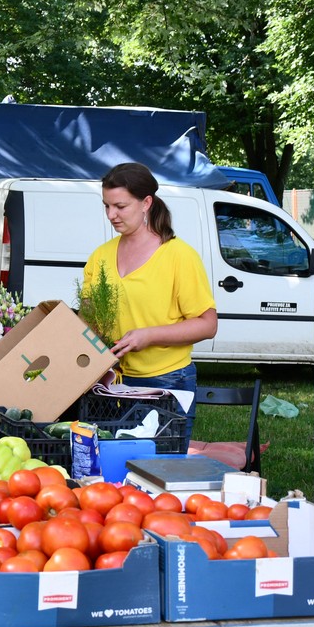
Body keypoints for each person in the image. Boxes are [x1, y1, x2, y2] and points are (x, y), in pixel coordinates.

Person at [82, 163, 217, 450]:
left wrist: (148, 335)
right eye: (106, 206)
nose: (111, 215)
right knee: (112, 471)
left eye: (120, 206)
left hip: (166, 381)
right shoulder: (100, 257)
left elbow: (208, 324)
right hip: (110, 382)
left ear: (146, 203)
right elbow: (88, 320)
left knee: (158, 471)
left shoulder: (179, 256)